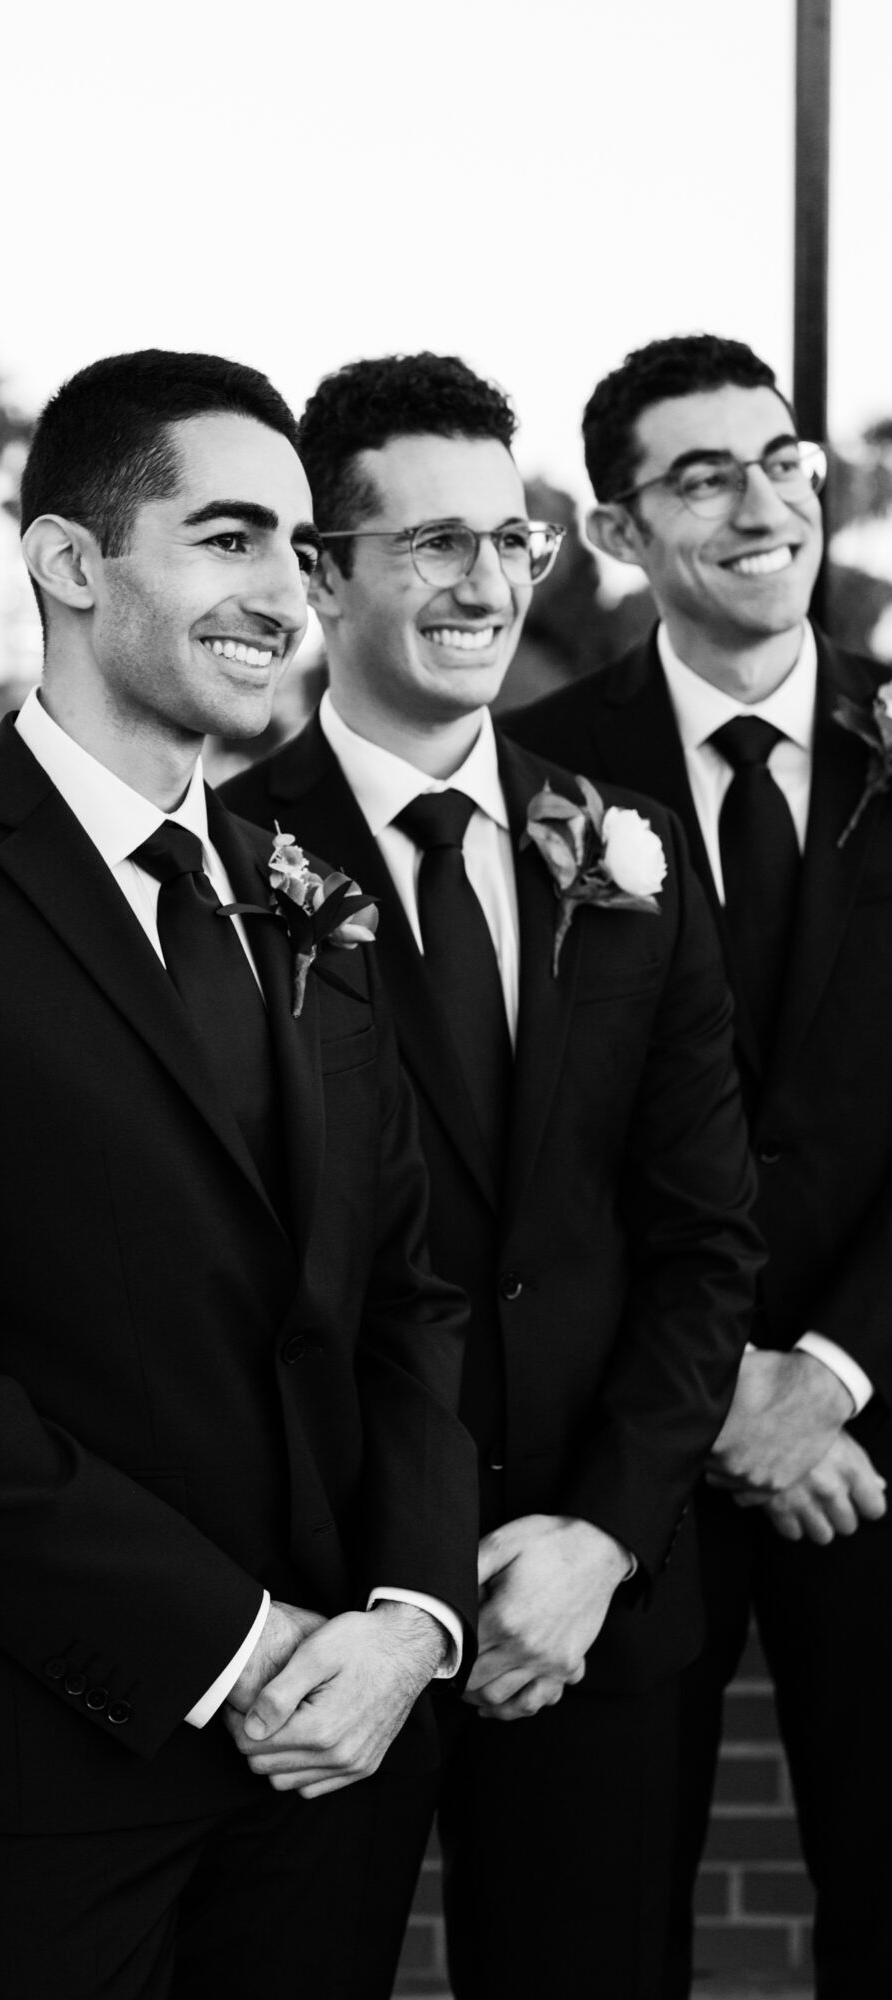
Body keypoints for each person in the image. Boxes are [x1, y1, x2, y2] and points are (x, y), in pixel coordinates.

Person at [0, 348, 479, 2000]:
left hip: (338, 1754)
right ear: (71, 564)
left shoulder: (301, 895)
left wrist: (405, 1619)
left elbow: (405, 1297)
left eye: (298, 552)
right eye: (227, 540)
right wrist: (240, 1647)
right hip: (59, 1751)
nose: (284, 597)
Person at [222, 351, 763, 2000]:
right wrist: (401, 1586)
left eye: (510, 539)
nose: (484, 582)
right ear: (320, 572)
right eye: (430, 545)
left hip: (590, 1624)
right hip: (330, 1629)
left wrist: (599, 1538)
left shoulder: (622, 852)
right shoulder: (223, 864)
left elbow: (701, 1248)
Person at [507, 331, 892, 1999]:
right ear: (615, 531)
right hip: (619, 1462)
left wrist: (827, 1369)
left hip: (882, 1444)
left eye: (782, 459)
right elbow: (506, 1123)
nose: (761, 502)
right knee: (580, 1940)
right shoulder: (530, 774)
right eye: (702, 473)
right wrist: (714, 1386)